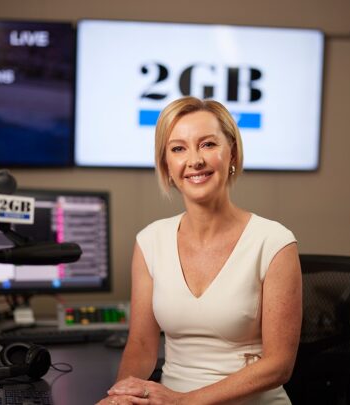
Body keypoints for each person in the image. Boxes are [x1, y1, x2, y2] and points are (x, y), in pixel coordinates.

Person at [97, 96, 302, 404]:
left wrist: (183, 401)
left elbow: (279, 366)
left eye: (208, 144)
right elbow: (141, 345)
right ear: (166, 163)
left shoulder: (274, 242)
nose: (194, 160)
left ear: (231, 151)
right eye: (178, 148)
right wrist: (120, 396)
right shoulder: (149, 242)